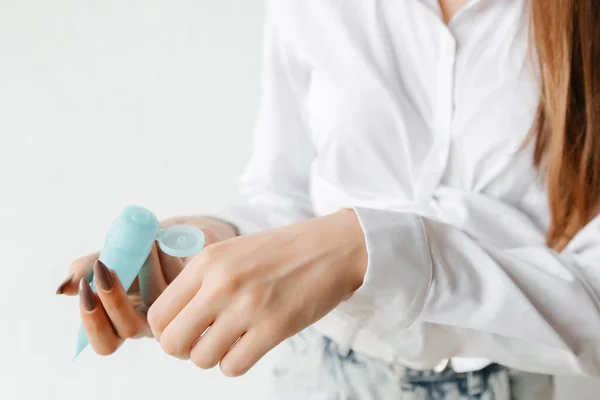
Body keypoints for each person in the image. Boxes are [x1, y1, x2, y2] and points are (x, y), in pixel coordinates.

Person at [56, 0, 600, 398]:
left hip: (505, 381)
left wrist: (368, 250)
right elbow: (282, 195)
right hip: (318, 373)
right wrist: (208, 248)